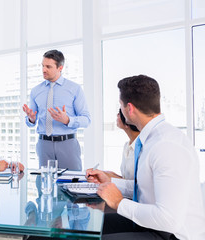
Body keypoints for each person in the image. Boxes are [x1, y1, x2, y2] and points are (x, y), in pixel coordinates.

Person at [87, 75, 205, 239]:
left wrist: (119, 203)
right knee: (91, 227)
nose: (120, 111)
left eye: (120, 106)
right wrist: (110, 182)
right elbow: (143, 187)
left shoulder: (166, 145)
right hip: (151, 223)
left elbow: (168, 219)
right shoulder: (151, 139)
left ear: (130, 108)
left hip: (172, 234)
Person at [23, 49, 91, 170]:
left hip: (67, 144)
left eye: (48, 66)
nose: (44, 70)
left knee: (71, 184)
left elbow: (86, 120)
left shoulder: (74, 89)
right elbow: (30, 122)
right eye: (43, 66)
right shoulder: (35, 91)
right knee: (44, 184)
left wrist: (67, 120)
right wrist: (31, 119)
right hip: (44, 145)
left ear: (60, 68)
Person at [90, 109, 139, 180]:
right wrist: (102, 174)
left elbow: (136, 185)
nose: (117, 115)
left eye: (120, 113)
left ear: (128, 122)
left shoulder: (142, 147)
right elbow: (125, 180)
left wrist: (108, 178)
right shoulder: (127, 145)